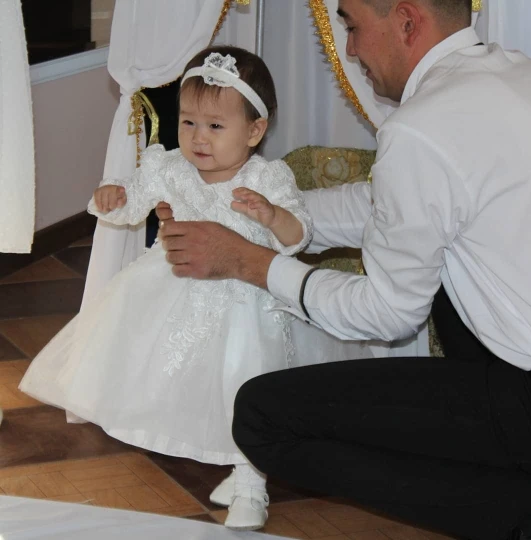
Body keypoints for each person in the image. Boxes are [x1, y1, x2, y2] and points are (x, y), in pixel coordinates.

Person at [155, 1, 531, 539]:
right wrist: (268, 216)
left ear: (406, 20)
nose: (351, 49)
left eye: (353, 27)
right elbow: (393, 205)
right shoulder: (521, 75)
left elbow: (389, 314)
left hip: (528, 396)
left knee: (263, 417)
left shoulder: (423, 127)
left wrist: (250, 261)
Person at [18, 45, 371, 531]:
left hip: (245, 301)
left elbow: (297, 238)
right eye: (188, 122)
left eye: (215, 126)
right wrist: (115, 196)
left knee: (243, 383)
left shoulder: (267, 178)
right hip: (175, 290)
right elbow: (133, 201)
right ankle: (237, 465)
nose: (198, 137)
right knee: (192, 390)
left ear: (254, 131)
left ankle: (250, 481)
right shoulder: (169, 168)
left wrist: (272, 215)